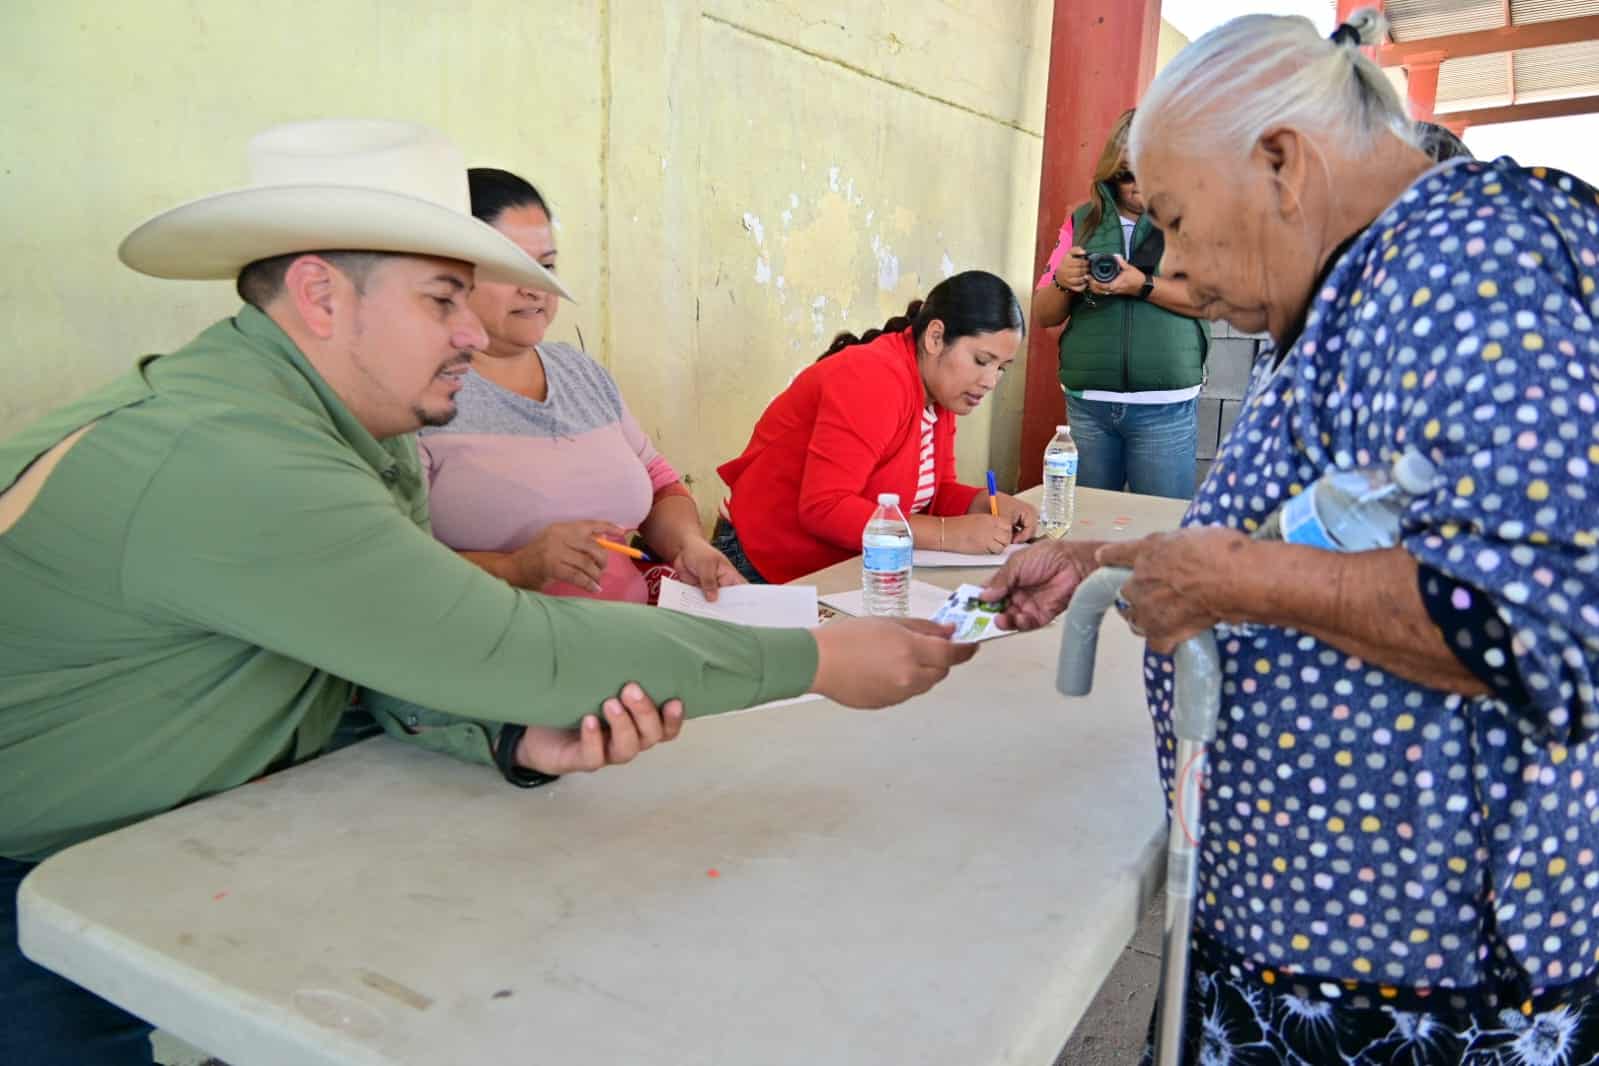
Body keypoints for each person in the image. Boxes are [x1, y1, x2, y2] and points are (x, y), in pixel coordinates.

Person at [0, 118, 978, 1064]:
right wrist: (816, 658)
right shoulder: (236, 457)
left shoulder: (325, 422)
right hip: (40, 874)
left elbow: (370, 640)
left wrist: (503, 732)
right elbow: (506, 642)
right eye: (440, 299)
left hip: (165, 834)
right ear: (321, 296)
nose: (475, 331)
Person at [985, 9, 1599, 1063]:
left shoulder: (1468, 258)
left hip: (1409, 992)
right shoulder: (1364, 283)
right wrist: (1114, 559)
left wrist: (1231, 576)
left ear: (1281, 163)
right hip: (1304, 951)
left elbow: (1545, 619)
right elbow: (1320, 531)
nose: (1178, 267)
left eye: (1175, 219)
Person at [421, 167, 742, 604]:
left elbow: (661, 484)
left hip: (634, 633)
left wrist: (689, 544)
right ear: (451, 272)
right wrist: (514, 568)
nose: (536, 288)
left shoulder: (579, 373)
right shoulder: (418, 393)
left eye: (546, 266)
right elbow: (389, 563)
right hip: (508, 649)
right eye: (511, 267)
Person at [714, 271, 1039, 586]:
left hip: (841, 567)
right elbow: (824, 507)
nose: (989, 381)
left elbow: (934, 493)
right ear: (936, 337)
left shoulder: (939, 391)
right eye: (982, 361)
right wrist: (948, 534)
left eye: (1002, 369)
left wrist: (986, 503)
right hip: (762, 564)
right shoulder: (874, 379)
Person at [1031, 109, 1212, 500]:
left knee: (1159, 531)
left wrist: (1141, 285)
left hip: (1165, 408)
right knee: (1088, 529)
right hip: (1090, 408)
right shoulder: (1082, 222)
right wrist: (1064, 282)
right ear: (1111, 174)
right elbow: (1044, 314)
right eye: (1128, 174)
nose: (1139, 185)